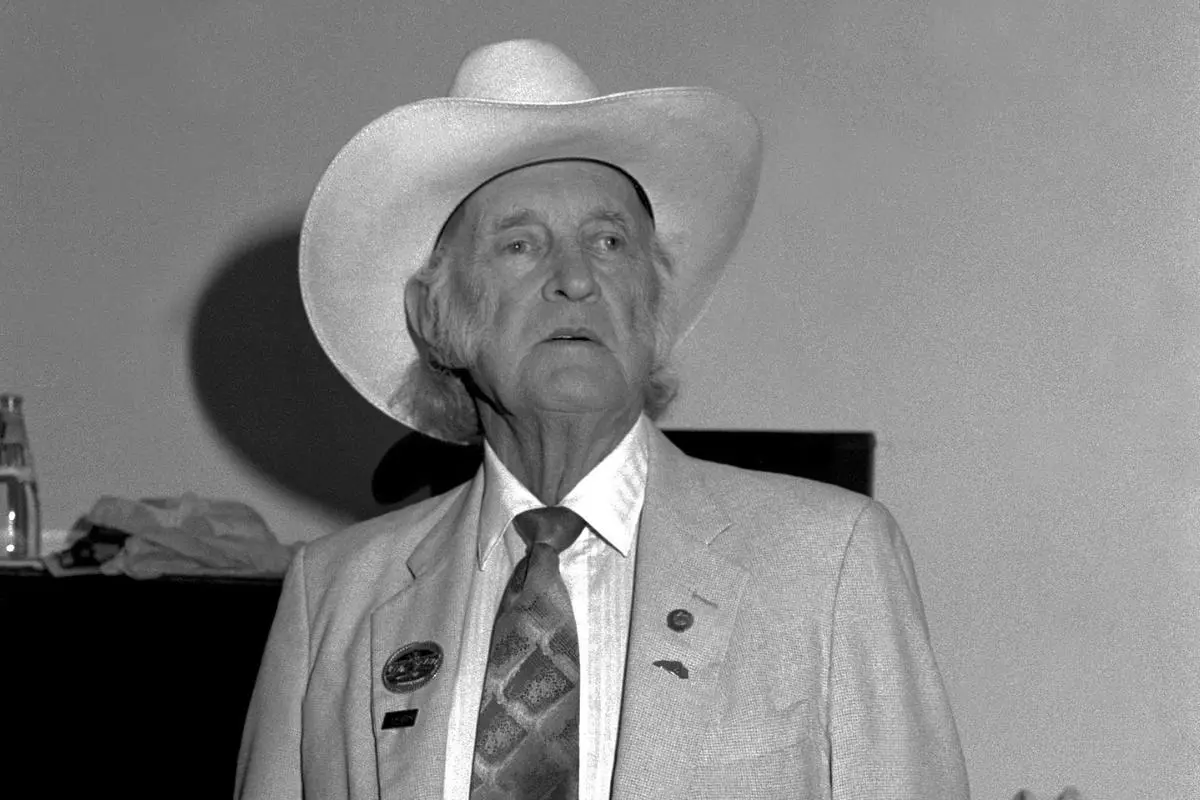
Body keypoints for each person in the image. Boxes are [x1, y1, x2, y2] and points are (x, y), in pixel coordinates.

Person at [236, 39, 969, 800]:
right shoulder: (334, 598)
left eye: (609, 242)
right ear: (435, 317)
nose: (577, 278)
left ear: (652, 305)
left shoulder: (829, 562)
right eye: (520, 244)